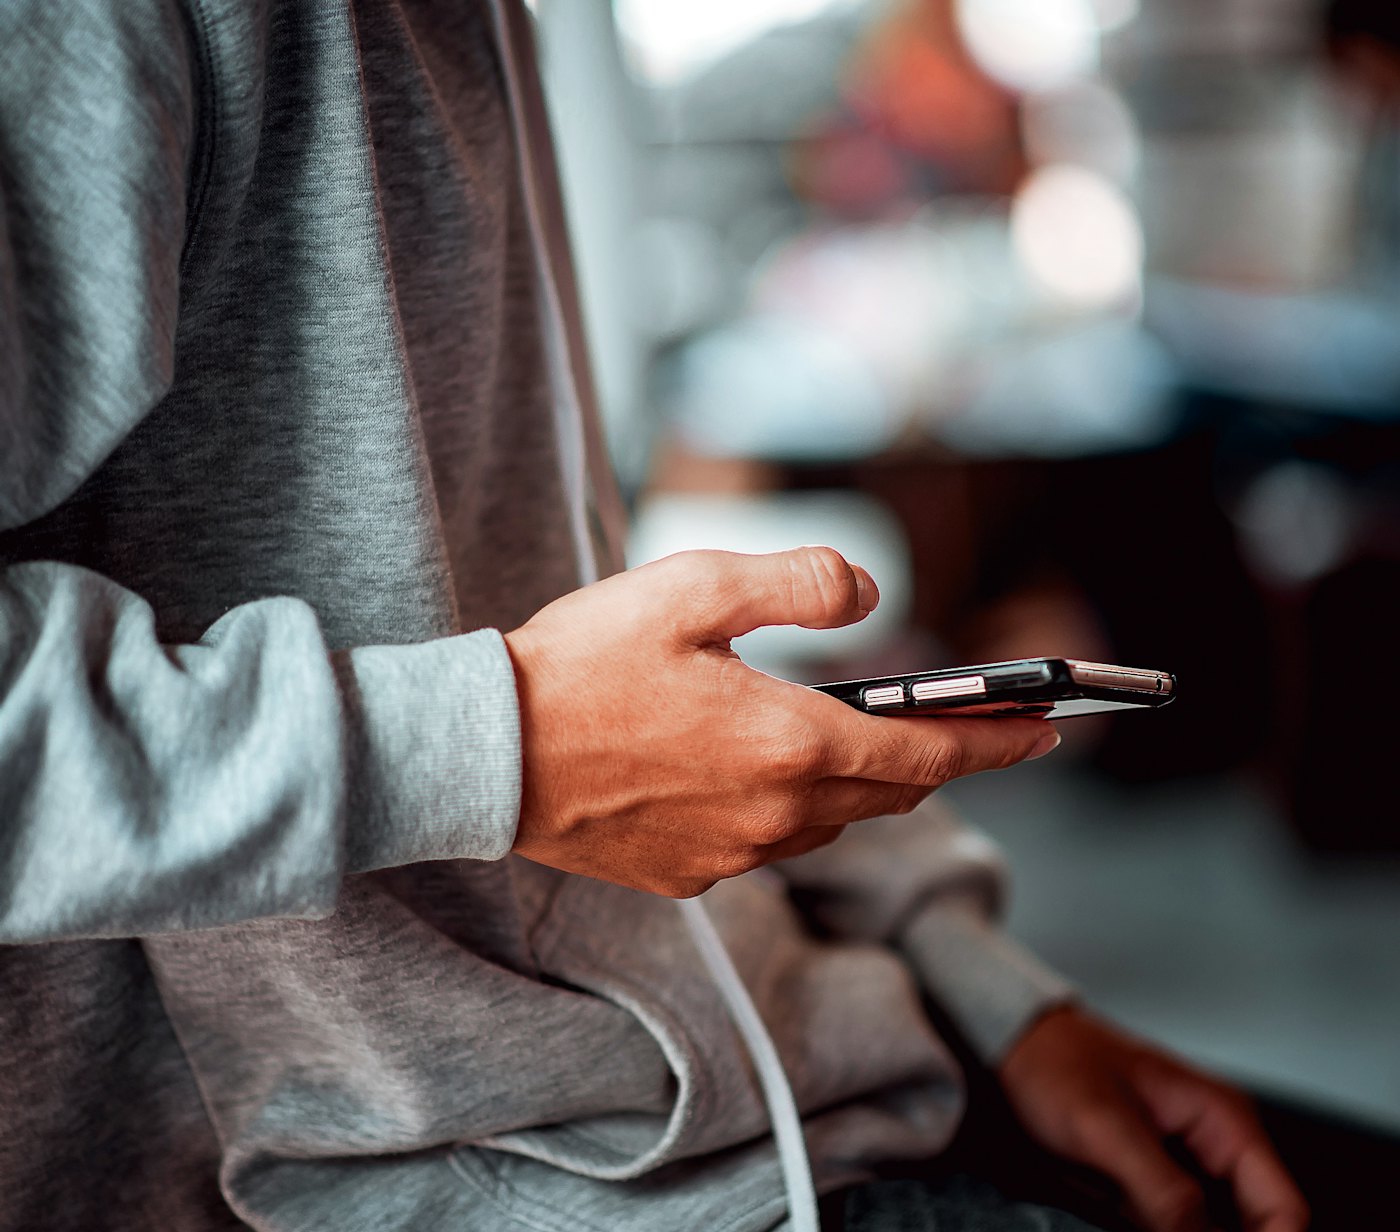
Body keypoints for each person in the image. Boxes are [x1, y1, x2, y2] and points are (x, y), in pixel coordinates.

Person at [0, 3, 1309, 1230]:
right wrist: (494, 744)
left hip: (770, 1078)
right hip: (426, 1173)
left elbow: (547, 637)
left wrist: (990, 999)